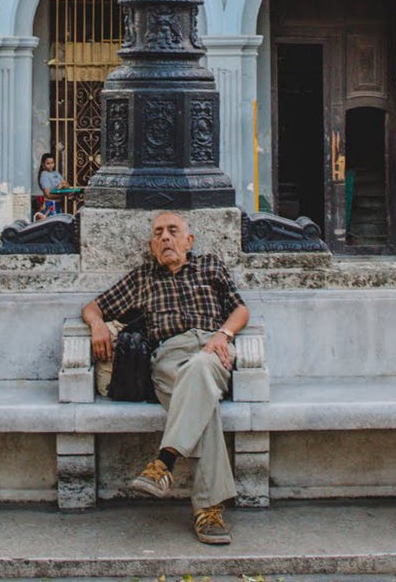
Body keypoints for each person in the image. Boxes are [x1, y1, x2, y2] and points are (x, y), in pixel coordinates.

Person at [80, 211, 248, 547]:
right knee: (205, 406)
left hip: (212, 351)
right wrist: (98, 325)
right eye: (158, 233)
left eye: (173, 231)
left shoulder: (210, 266)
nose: (165, 238)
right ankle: (209, 511)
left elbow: (240, 309)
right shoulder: (143, 277)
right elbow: (93, 308)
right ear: (152, 244)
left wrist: (224, 334)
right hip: (168, 359)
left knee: (201, 370)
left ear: (189, 241)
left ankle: (164, 462)